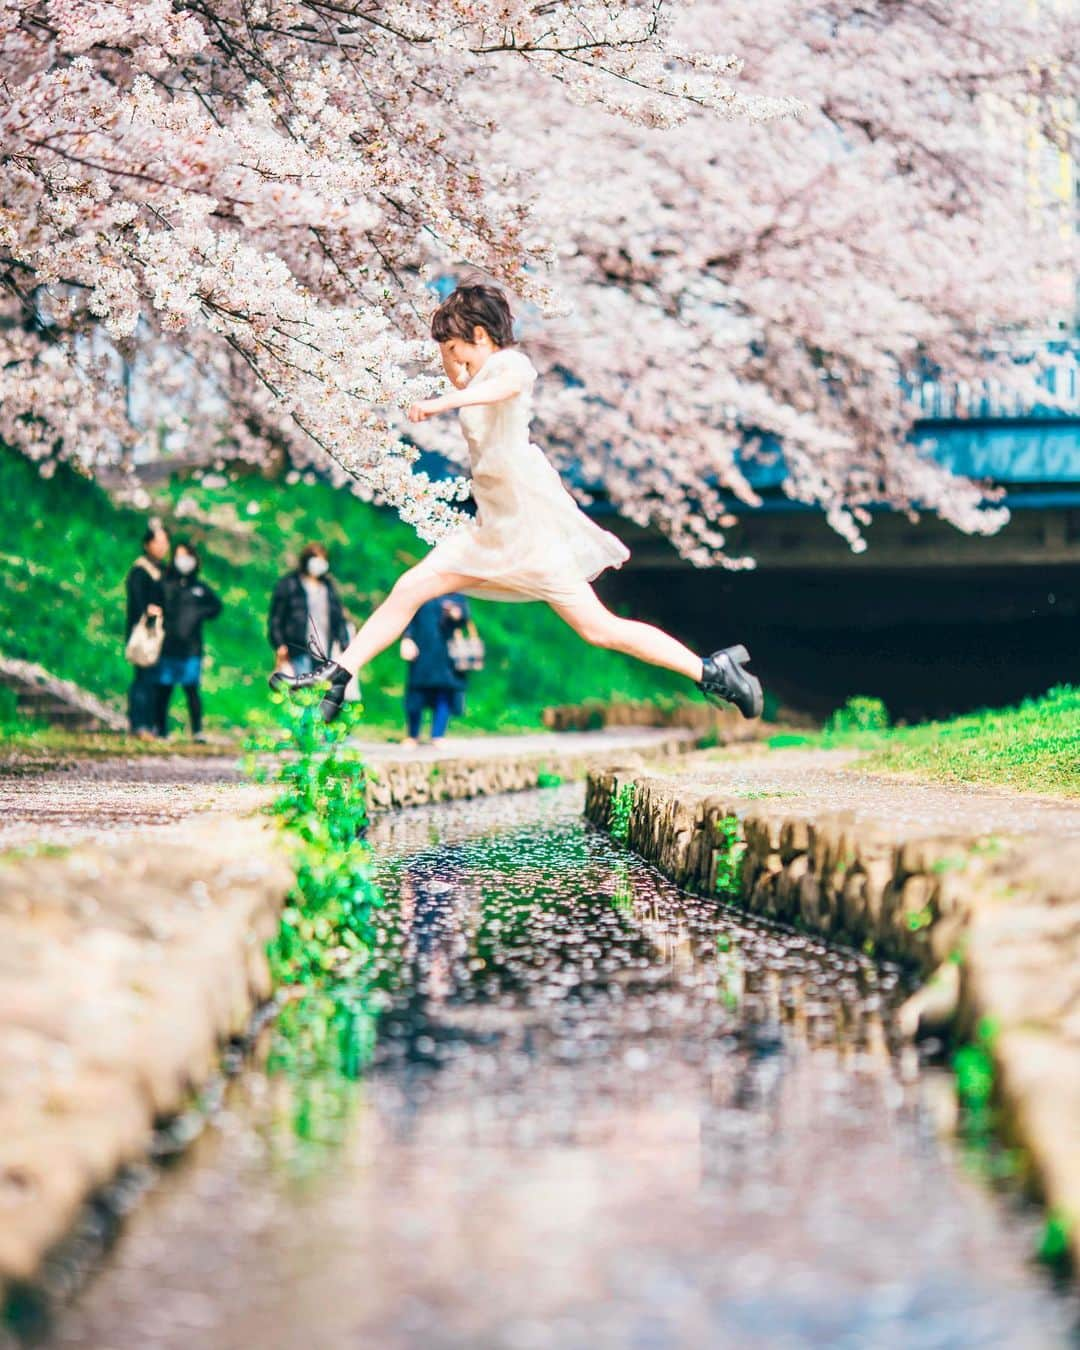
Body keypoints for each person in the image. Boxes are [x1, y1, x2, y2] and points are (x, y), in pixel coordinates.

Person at [271, 283, 762, 722]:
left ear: (481, 337)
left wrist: (443, 401)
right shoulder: (475, 381)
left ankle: (710, 670)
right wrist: (450, 364)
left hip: (527, 534)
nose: (453, 357)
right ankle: (337, 675)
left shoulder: (510, 366)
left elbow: (503, 387)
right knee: (411, 587)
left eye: (456, 346)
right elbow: (472, 386)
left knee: (600, 630)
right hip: (492, 531)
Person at [157, 541, 222, 741]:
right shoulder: (165, 584)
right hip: (167, 645)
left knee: (191, 689)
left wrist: (199, 614)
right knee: (164, 690)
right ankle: (161, 730)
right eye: (179, 556)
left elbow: (216, 606)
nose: (184, 561)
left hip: (192, 648)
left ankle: (197, 730)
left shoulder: (199, 588)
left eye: (188, 556)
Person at [268, 543, 350, 676]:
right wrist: (279, 643)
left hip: (324, 648)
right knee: (302, 687)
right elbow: (276, 617)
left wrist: (344, 643)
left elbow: (338, 617)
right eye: (316, 559)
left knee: (319, 690)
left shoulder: (328, 588)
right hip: (298, 647)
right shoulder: (290, 584)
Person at [401, 595, 470, 747]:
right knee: (415, 694)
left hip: (446, 653)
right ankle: (412, 735)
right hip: (421, 650)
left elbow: (465, 617)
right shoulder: (423, 588)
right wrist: (407, 638)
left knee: (443, 694)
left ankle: (438, 735)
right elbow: (408, 614)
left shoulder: (455, 593)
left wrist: (456, 614)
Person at [125, 520, 169, 739]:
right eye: (158, 541)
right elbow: (136, 601)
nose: (162, 546)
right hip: (144, 635)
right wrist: (147, 610)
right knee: (143, 678)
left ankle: (154, 724)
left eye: (165, 542)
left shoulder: (164, 570)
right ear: (147, 544)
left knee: (157, 681)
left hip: (161, 634)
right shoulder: (140, 570)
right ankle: (139, 723)